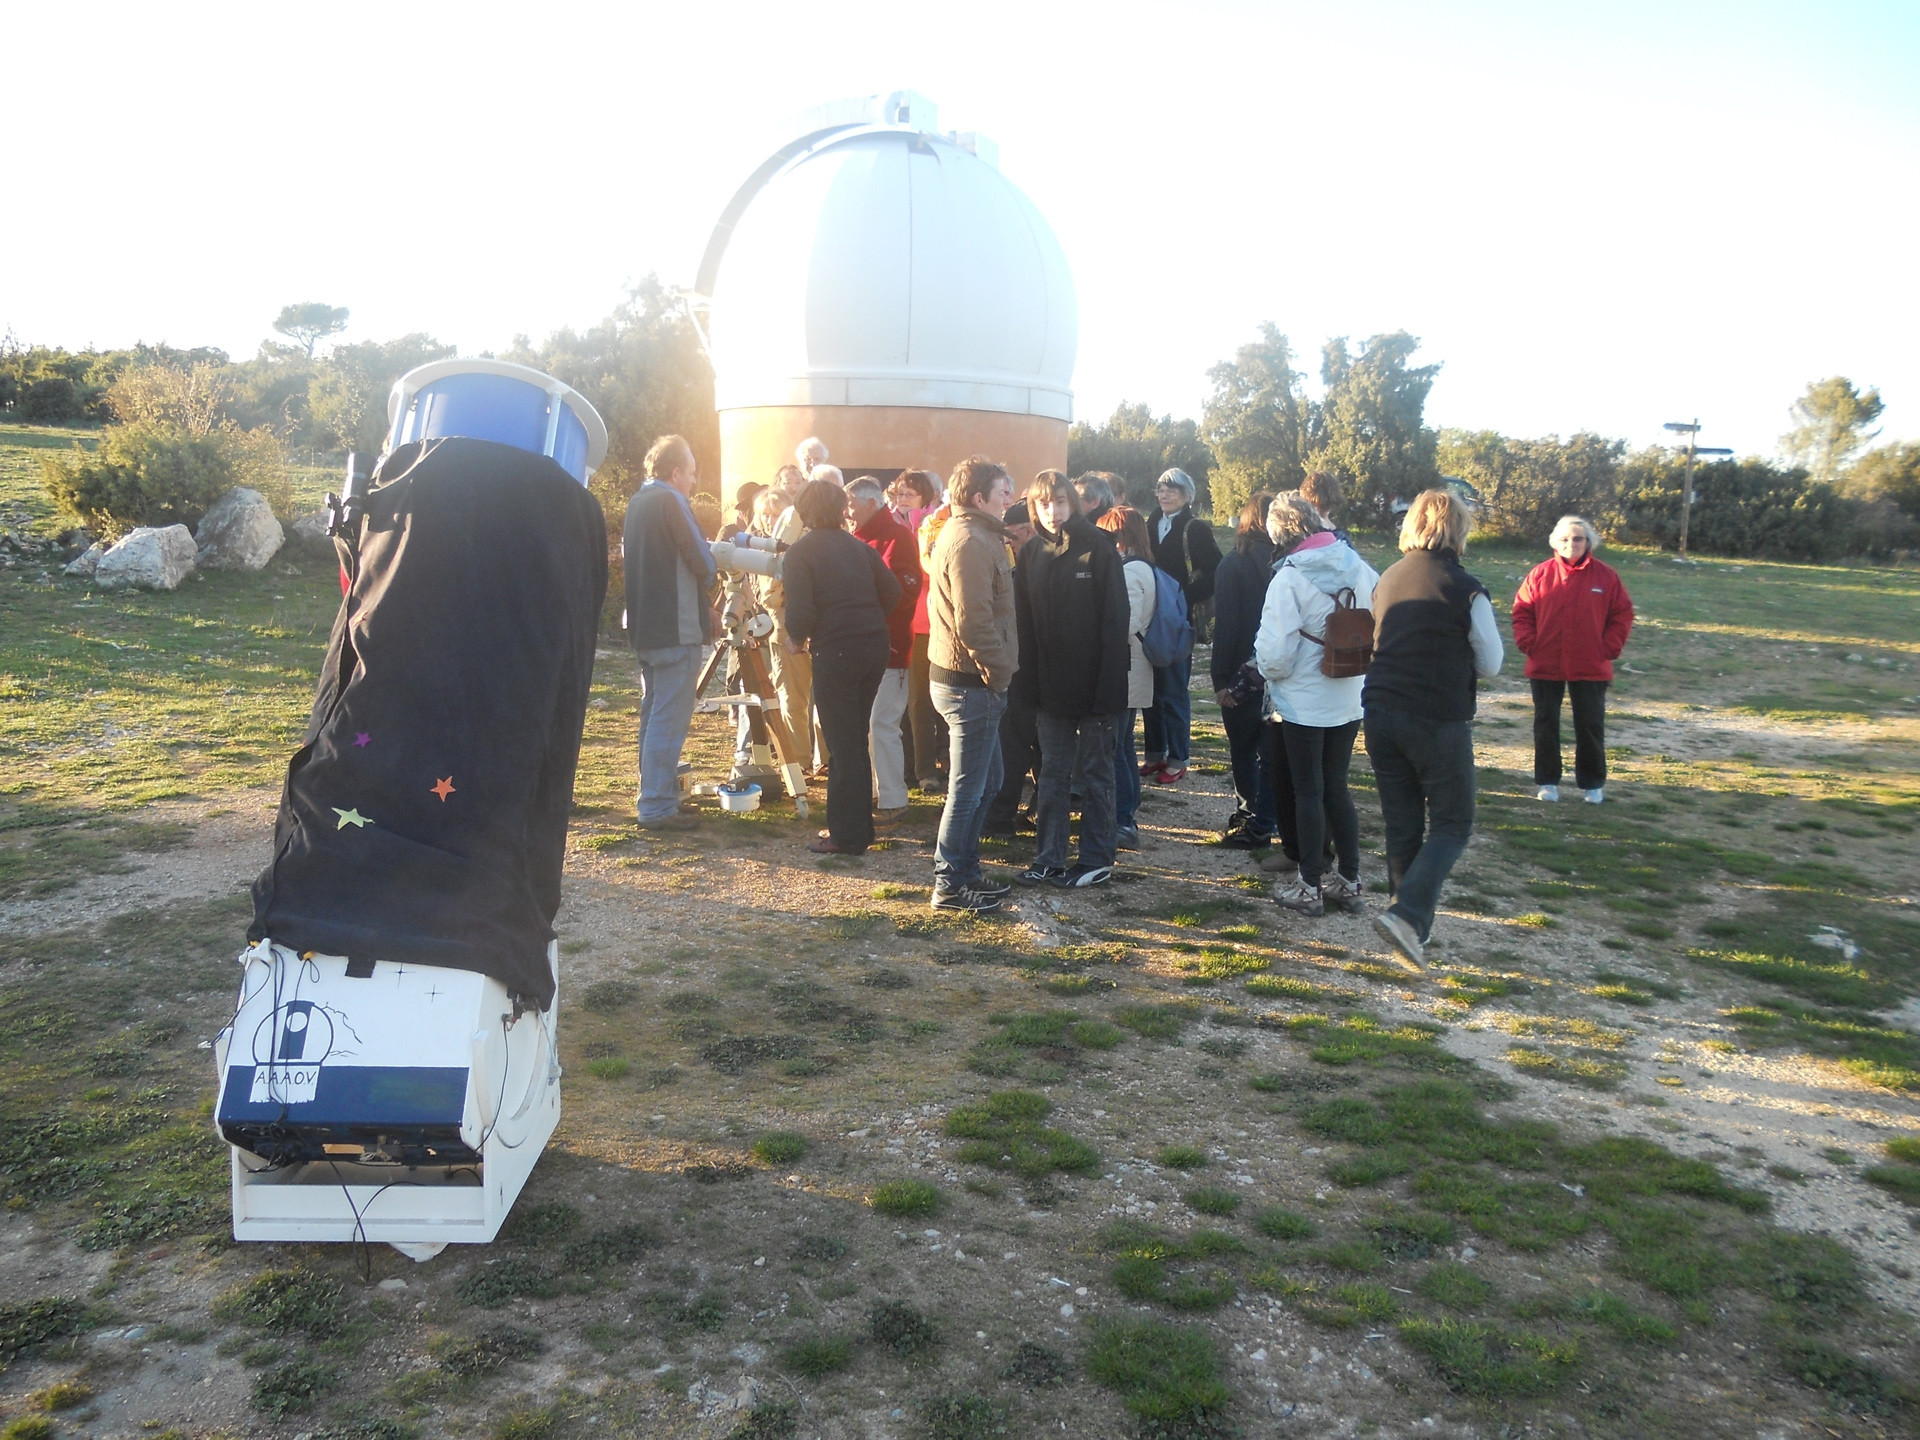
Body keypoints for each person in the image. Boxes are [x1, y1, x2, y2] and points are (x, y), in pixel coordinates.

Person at [1363, 489, 1503, 968]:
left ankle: (1408, 930)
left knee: (1402, 822)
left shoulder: (1388, 578)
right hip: (1436, 717)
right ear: (1458, 530)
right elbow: (1492, 662)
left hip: (1380, 710)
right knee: (1452, 822)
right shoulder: (1464, 587)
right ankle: (1408, 916)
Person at [1254, 493, 1380, 916]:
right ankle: (1350, 880)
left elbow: (1273, 655)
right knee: (1337, 786)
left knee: (1308, 789)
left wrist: (1271, 674)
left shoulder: (1288, 578)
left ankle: (1309, 885)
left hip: (1304, 698)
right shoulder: (1360, 567)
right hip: (1349, 690)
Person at [1011, 472, 1131, 888]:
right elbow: (1023, 626)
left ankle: (1097, 857)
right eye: (1044, 504)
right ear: (1035, 508)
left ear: (1074, 503)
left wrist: (1109, 688)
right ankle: (1050, 856)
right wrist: (1025, 685)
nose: (1053, 511)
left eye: (1060, 502)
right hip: (1048, 687)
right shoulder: (1030, 554)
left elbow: (1115, 623)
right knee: (1052, 774)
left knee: (1097, 774)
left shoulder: (1098, 548)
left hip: (1096, 685)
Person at [780, 480, 902, 855]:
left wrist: (795, 639)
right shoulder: (860, 548)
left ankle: (846, 836)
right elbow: (893, 592)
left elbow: (800, 611)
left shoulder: (800, 553)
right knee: (855, 739)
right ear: (840, 509)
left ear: (803, 511)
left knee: (842, 744)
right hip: (873, 646)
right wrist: (866, 619)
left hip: (837, 652)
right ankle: (859, 828)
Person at [926, 456, 1019, 912]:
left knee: (990, 778)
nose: (1011, 498)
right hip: (971, 683)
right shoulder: (969, 542)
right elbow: (974, 622)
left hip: (969, 679)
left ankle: (964, 869)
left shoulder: (976, 535)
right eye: (1004, 491)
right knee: (968, 787)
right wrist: (999, 674)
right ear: (978, 497)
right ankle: (949, 882)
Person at [622, 435, 718, 830]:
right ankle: (658, 805)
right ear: (675, 472)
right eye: (691, 474)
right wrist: (713, 575)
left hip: (646, 626)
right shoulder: (670, 501)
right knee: (668, 717)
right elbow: (699, 555)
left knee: (652, 713)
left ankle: (653, 793)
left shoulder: (638, 501)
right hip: (676, 628)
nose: (694, 482)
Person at [1512, 515, 1634, 805]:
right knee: (1545, 724)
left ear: (1588, 541)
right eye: (1565, 539)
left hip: (1591, 665)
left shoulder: (1606, 576)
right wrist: (1530, 643)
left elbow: (1622, 614)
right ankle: (1547, 781)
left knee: (1590, 725)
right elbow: (1522, 612)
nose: (1571, 544)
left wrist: (1609, 648)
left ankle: (1592, 784)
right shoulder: (1539, 574)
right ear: (1555, 541)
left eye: (1578, 538)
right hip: (1546, 662)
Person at [848, 477, 924, 827]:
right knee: (869, 724)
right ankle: (881, 792)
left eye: (851, 504)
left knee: (883, 723)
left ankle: (893, 799)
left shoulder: (898, 537)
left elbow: (904, 590)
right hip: (865, 642)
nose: (846, 512)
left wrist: (863, 606)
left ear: (870, 502)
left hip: (890, 644)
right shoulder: (859, 538)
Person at [1142, 467, 1220, 784]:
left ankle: (1178, 757)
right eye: (1160, 489)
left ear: (1187, 495)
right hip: (1149, 616)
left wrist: (1182, 599)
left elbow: (1216, 570)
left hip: (1177, 620)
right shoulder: (1150, 523)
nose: (1164, 495)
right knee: (1150, 691)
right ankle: (1154, 754)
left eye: (1171, 490)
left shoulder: (1194, 528)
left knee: (1173, 689)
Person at [1211, 493, 1279, 851]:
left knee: (1243, 748)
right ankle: (1266, 813)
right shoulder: (1286, 562)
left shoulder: (1233, 564)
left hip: (1241, 667)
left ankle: (1248, 812)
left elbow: (1227, 626)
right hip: (1279, 668)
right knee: (1270, 751)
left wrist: (1221, 678)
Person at [1096, 505, 1157, 850]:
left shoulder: (1131, 571)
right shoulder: (1141, 567)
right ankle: (1127, 812)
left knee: (1116, 748)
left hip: (1127, 667)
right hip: (1133, 668)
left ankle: (1123, 820)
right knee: (1124, 746)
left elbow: (1125, 624)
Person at [982, 496, 1043, 838]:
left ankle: (1001, 817)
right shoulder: (1043, 568)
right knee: (1041, 745)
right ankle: (1041, 811)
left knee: (1014, 743)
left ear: (1029, 530)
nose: (1010, 546)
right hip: (1039, 671)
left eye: (1013, 538)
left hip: (1024, 672)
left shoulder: (1026, 574)